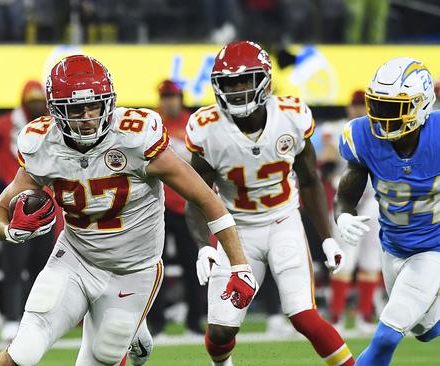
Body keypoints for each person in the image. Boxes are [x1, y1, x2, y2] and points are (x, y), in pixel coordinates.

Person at [0, 54, 256, 366]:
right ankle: (128, 330)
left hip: (133, 270)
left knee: (102, 356)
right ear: (57, 111)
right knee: (24, 351)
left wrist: (239, 265)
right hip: (76, 259)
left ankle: (133, 331)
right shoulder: (42, 143)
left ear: (108, 101)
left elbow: (207, 199)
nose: (86, 117)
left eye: (93, 105)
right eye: (75, 109)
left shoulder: (135, 137)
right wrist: (9, 230)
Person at [183, 41, 353, 366]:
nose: (236, 90)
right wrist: (204, 244)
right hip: (236, 232)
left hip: (282, 222)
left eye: (244, 80)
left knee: (304, 315)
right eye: (229, 83)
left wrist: (327, 236)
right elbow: (197, 194)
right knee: (220, 332)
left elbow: (310, 180)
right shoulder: (208, 129)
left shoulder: (290, 116)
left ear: (264, 80)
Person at [336, 57, 440, 366]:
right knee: (425, 329)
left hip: (433, 249)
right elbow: (346, 193)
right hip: (393, 248)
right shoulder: (362, 136)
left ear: (420, 106)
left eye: (393, 108)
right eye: (378, 105)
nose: (381, 116)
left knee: (386, 336)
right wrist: (343, 215)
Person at [0, 79, 55, 341]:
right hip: (15, 204)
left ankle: (39, 318)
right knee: (14, 266)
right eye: (33, 100)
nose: (37, 105)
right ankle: (13, 318)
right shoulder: (6, 125)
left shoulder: (53, 125)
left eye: (41, 100)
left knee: (43, 267)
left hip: (47, 204)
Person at [146, 79, 205, 335]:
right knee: (151, 263)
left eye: (173, 96)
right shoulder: (152, 124)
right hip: (157, 206)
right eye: (165, 96)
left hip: (185, 205)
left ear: (180, 98)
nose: (169, 100)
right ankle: (155, 321)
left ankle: (195, 319)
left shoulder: (192, 124)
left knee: (194, 262)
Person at [326, 91, 381, 335]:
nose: (358, 110)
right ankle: (336, 315)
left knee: (371, 259)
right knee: (344, 258)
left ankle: (365, 315)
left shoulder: (378, 130)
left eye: (362, 105)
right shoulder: (338, 128)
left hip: (373, 199)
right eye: (355, 105)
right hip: (347, 200)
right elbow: (326, 162)